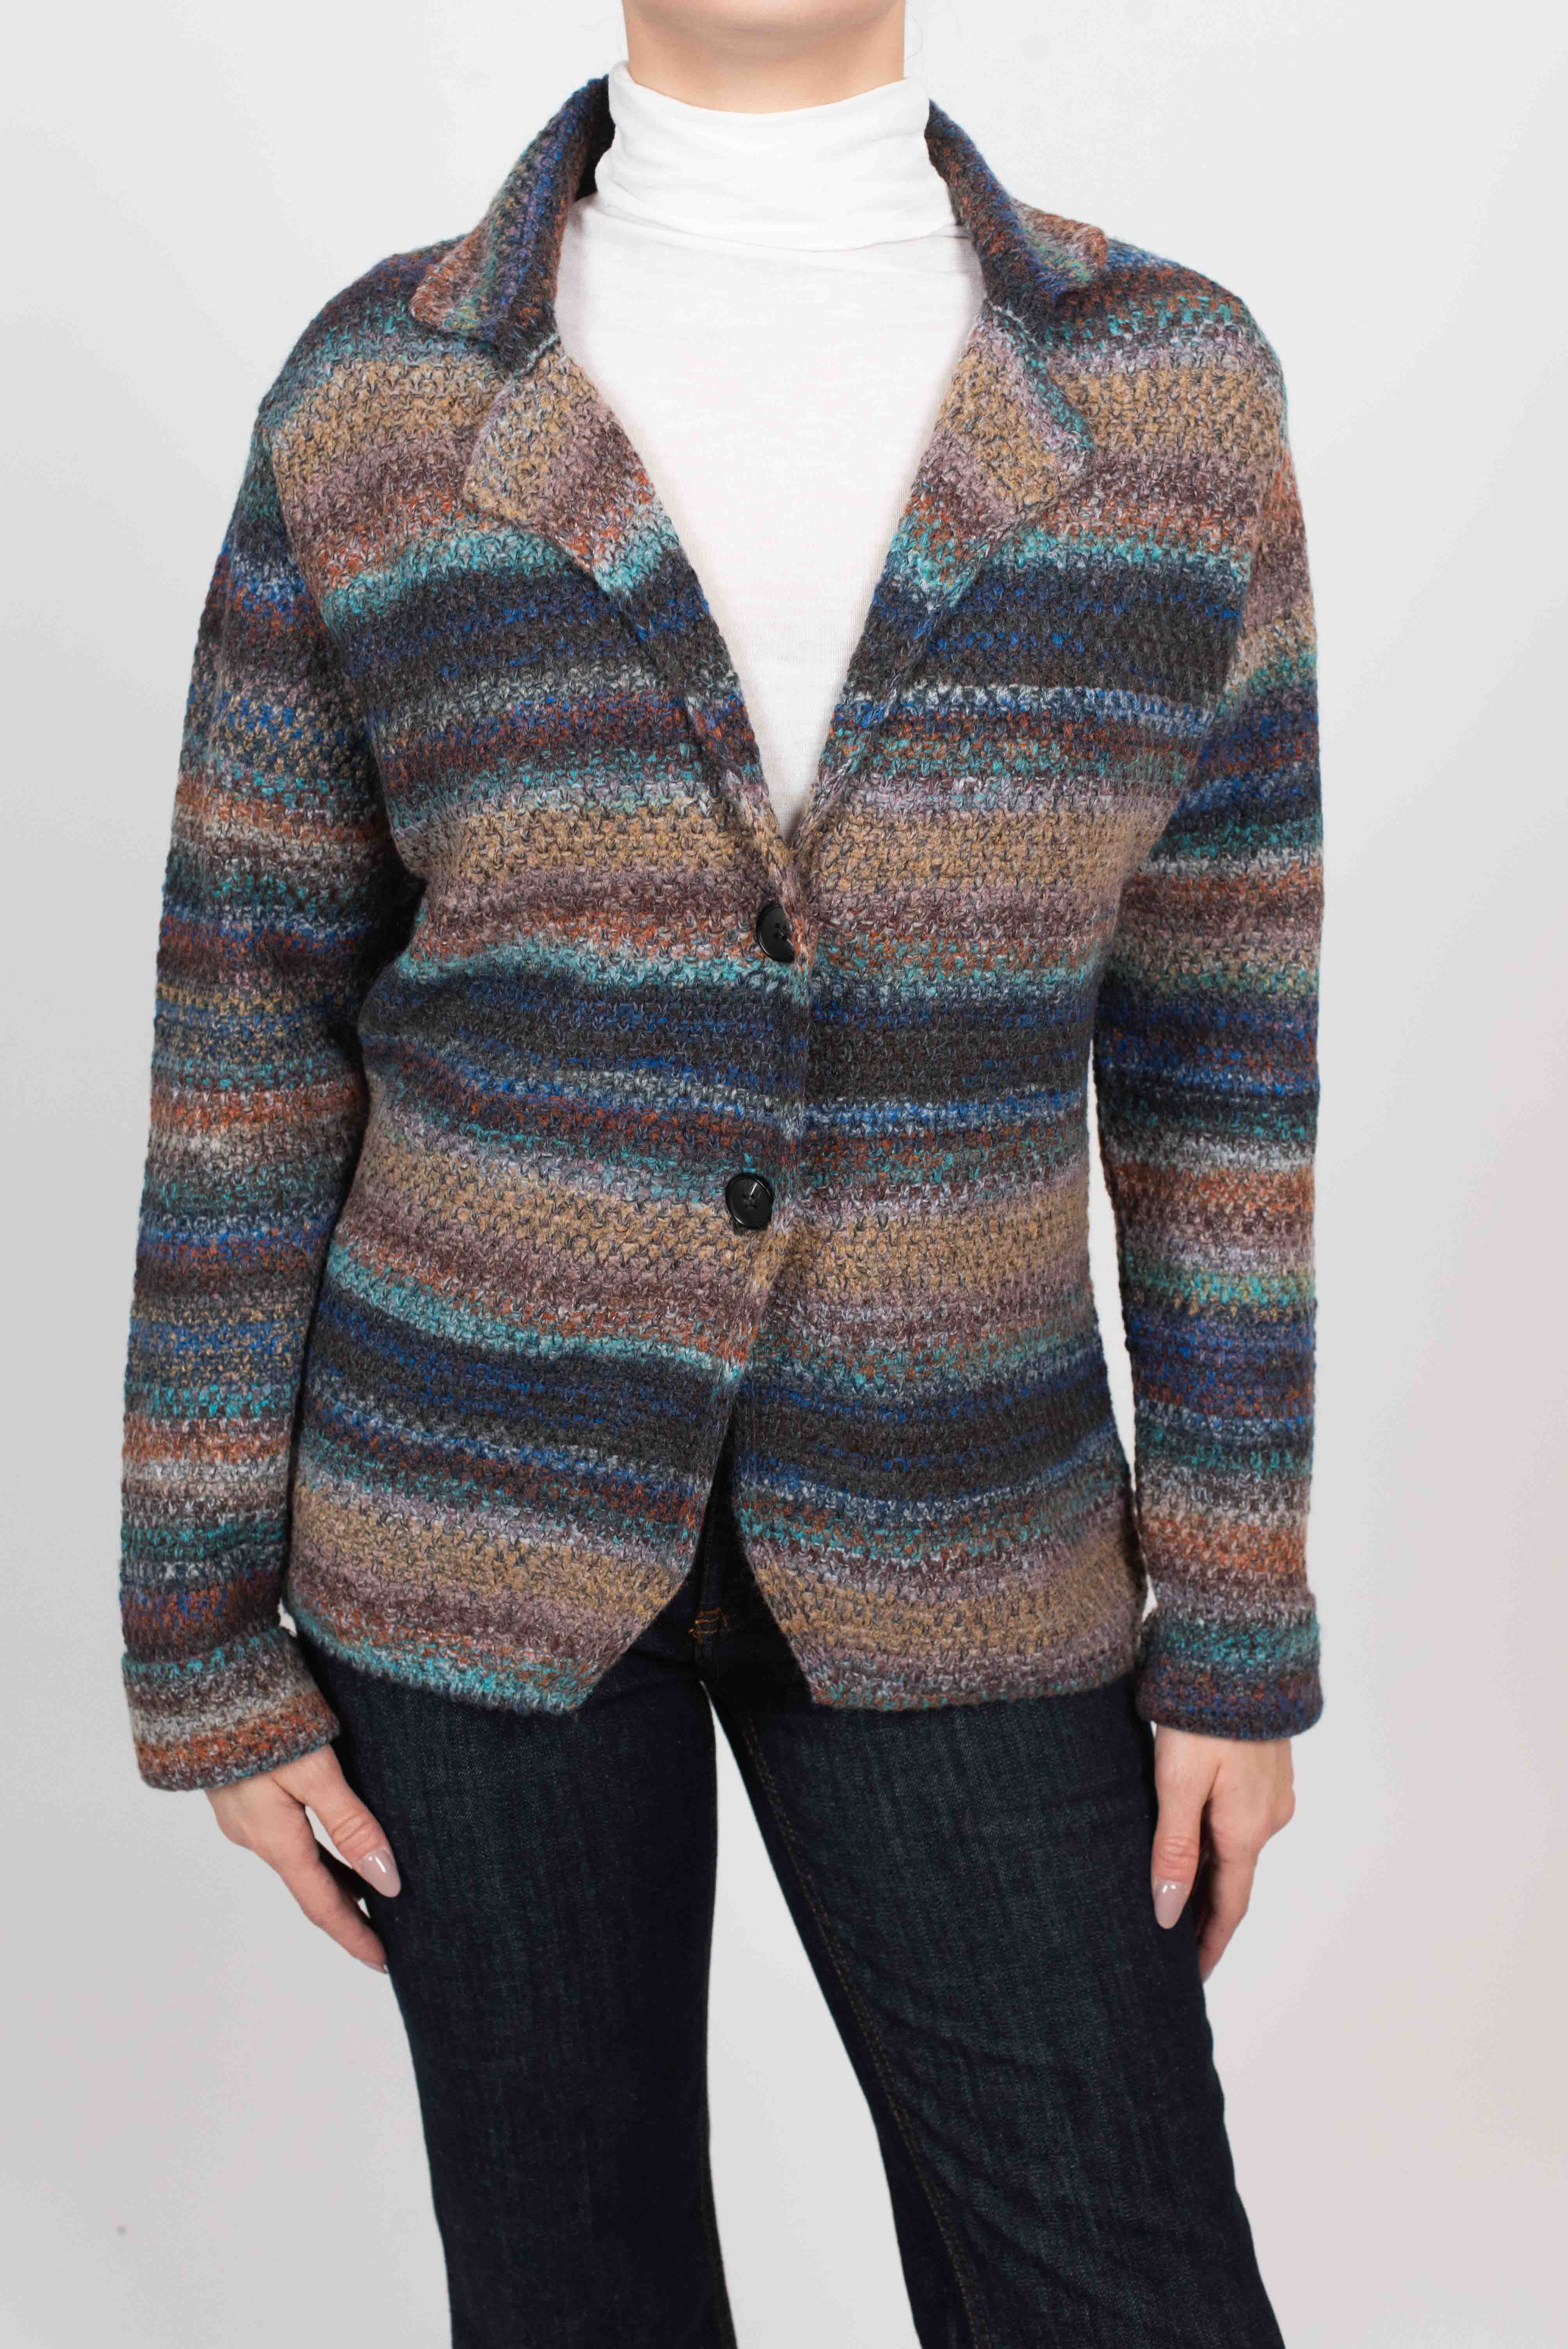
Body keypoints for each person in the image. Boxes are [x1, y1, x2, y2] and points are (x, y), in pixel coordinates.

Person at [119, 2, 1324, 2340]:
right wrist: (202, 1646)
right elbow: (246, 1024)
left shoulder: (1168, 391)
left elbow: (1222, 1051)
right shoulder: (383, 393)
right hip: (461, 1530)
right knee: (570, 2296)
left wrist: (1239, 1625)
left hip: (968, 1518)